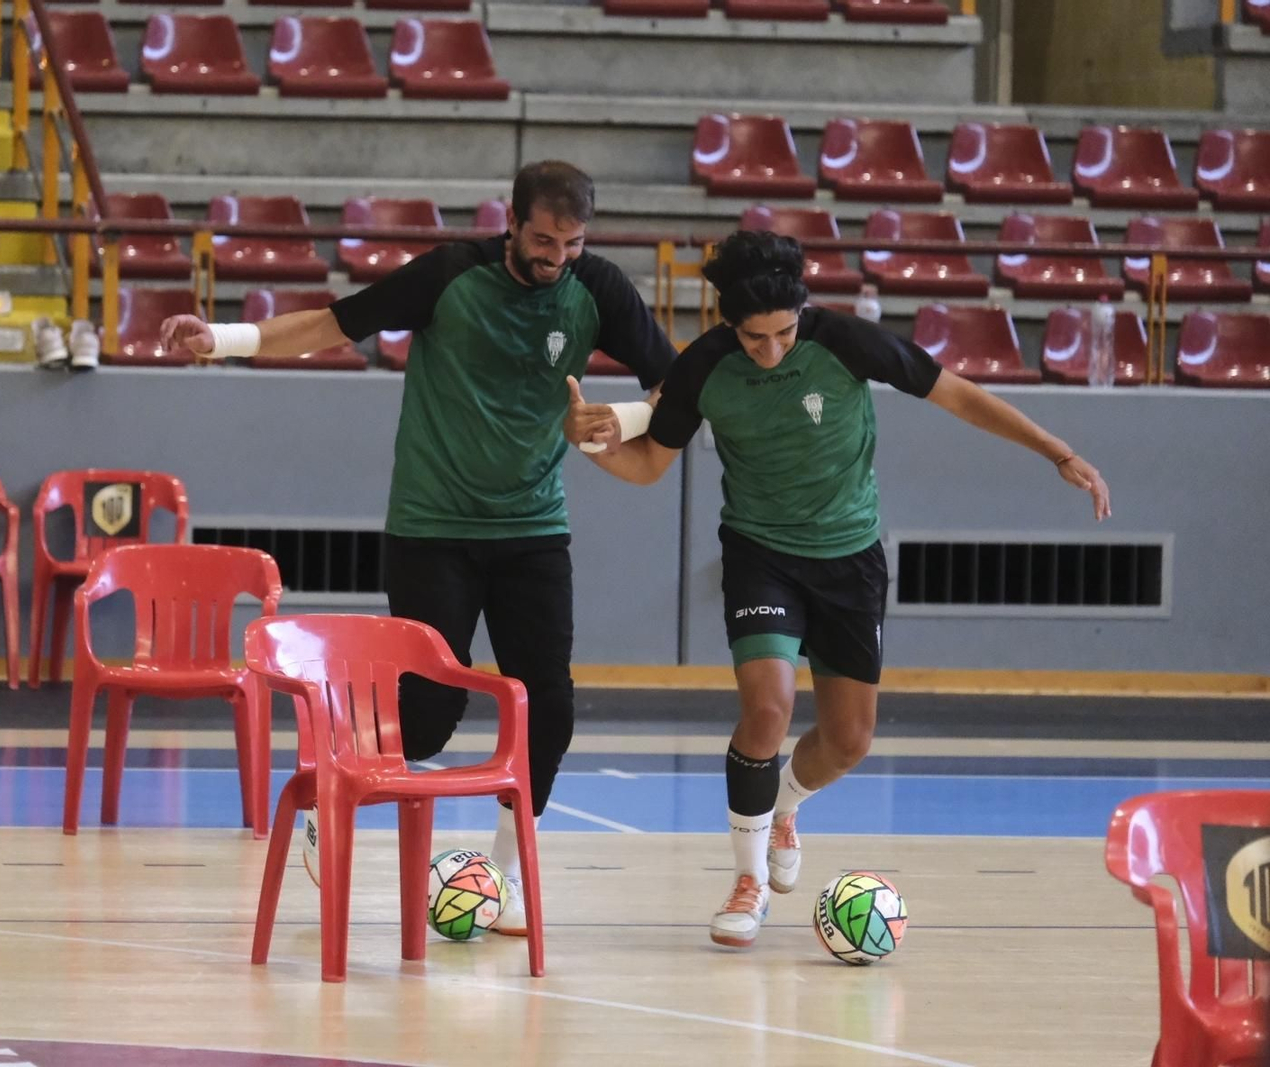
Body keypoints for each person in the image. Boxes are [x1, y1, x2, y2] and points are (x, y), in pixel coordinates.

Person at [160, 161, 677, 934]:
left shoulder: (596, 288)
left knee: (551, 704)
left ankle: (503, 873)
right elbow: (336, 322)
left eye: (571, 243)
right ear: (511, 221)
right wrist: (224, 338)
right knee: (430, 715)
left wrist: (621, 423)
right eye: (542, 240)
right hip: (432, 528)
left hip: (533, 529)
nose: (555, 257)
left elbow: (677, 383)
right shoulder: (449, 274)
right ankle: (326, 784)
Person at [569, 230, 1111, 949]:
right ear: (729, 322)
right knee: (767, 709)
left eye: (784, 332)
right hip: (761, 554)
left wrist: (1058, 452)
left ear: (802, 311)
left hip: (850, 557)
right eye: (754, 337)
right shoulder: (703, 367)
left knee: (850, 739)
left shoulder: (846, 342)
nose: (771, 349)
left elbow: (956, 395)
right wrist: (587, 441)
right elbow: (648, 465)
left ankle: (787, 802)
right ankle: (749, 877)